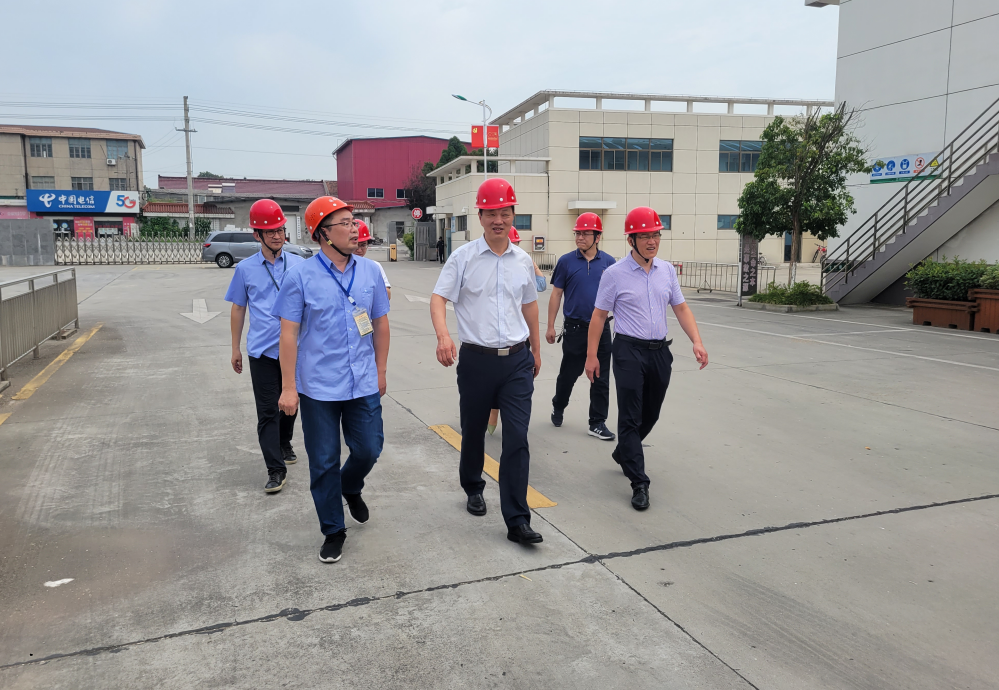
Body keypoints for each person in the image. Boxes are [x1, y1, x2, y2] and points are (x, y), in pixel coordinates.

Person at [273, 196, 391, 563]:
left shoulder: (370, 272)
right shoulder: (300, 276)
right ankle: (333, 530)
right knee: (323, 460)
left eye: (354, 222)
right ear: (323, 234)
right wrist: (288, 387)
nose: (355, 229)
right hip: (318, 387)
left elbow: (380, 324)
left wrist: (381, 370)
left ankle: (350, 485)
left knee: (369, 448)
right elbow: (288, 334)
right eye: (346, 223)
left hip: (363, 380)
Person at [431, 178, 544, 545]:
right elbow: (438, 298)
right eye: (492, 213)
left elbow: (529, 305)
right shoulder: (463, 258)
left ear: (513, 215)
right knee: (475, 430)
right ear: (480, 216)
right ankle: (473, 485)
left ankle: (517, 520)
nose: (499, 220)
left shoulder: (522, 260)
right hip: (477, 361)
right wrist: (444, 335)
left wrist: (536, 349)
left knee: (517, 438)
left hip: (516, 360)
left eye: (505, 213)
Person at [585, 207, 708, 512]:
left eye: (656, 235)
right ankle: (639, 482)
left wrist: (697, 341)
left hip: (659, 352)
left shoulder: (667, 271)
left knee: (650, 413)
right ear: (632, 240)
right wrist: (592, 356)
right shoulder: (614, 274)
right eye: (645, 236)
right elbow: (599, 316)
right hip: (628, 350)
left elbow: (681, 307)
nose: (652, 241)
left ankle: (625, 451)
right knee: (630, 416)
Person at [225, 199, 305, 494]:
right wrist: (235, 348)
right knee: (268, 411)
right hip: (262, 351)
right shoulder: (245, 269)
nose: (276, 235)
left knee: (290, 404)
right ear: (256, 234)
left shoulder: (299, 265)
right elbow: (238, 308)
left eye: (280, 230)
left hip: (295, 350)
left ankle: (284, 442)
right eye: (269, 231)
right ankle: (275, 469)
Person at [546, 212, 616, 441]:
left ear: (598, 237)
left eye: (585, 233)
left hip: (602, 329)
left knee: (600, 377)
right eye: (577, 233)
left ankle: (597, 422)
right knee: (569, 374)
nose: (579, 237)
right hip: (575, 329)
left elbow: (619, 298)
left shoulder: (609, 263)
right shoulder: (566, 261)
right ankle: (559, 405)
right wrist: (550, 326)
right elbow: (556, 294)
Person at [487, 226, 546, 436]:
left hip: (521, 334)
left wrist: (533, 265)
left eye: (517, 244)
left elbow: (541, 285)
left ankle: (508, 419)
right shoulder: (493, 266)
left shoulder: (522, 262)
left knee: (518, 381)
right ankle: (493, 414)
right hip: (498, 334)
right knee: (494, 380)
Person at [354, 219, 391, 300]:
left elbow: (387, 295)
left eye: (363, 245)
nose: (359, 250)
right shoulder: (337, 267)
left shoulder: (374, 266)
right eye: (355, 245)